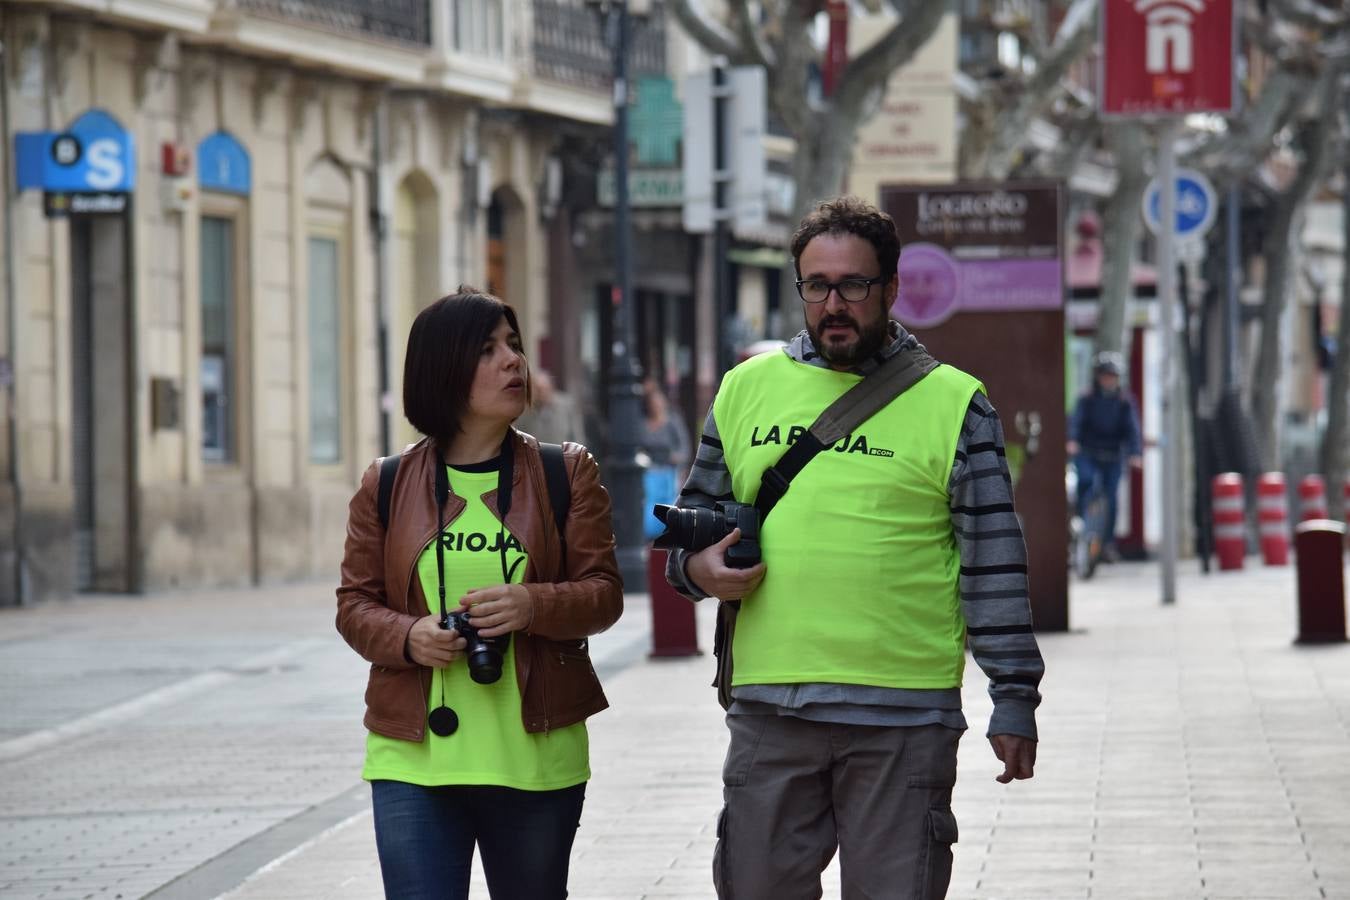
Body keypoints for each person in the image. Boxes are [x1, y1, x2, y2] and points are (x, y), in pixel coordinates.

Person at [664, 196, 1045, 899]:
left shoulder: (956, 403)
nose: (834, 303)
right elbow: (692, 523)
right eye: (817, 286)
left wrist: (1014, 695)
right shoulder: (746, 389)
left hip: (902, 718)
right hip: (771, 710)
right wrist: (697, 569)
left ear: (891, 289)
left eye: (854, 286)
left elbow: (993, 557)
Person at [336, 286, 623, 900]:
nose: (513, 361)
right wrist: (409, 637)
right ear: (444, 369)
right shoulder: (385, 484)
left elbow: (603, 595)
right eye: (489, 350)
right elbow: (354, 606)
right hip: (413, 755)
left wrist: (532, 605)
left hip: (536, 755)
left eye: (514, 346)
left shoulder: (565, 472)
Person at [1067, 351, 1143, 561]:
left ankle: (1107, 543)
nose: (1108, 380)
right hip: (1089, 453)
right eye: (1105, 375)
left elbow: (1132, 429)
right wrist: (1072, 441)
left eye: (1112, 376)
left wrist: (1135, 453)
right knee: (1086, 482)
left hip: (1112, 455)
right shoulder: (1087, 398)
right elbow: (1076, 422)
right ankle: (1082, 525)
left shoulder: (1124, 401)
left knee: (1111, 499)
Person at [640, 377, 691, 539]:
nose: (655, 405)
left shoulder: (672, 422)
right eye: (651, 402)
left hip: (670, 472)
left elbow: (685, 448)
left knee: (669, 507)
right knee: (649, 509)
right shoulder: (643, 424)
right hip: (649, 472)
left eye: (657, 401)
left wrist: (678, 459)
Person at [515, 368, 588, 446]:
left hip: (562, 454)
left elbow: (577, 435)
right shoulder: (525, 410)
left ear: (551, 388)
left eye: (544, 389)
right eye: (538, 390)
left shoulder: (566, 405)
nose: (542, 393)